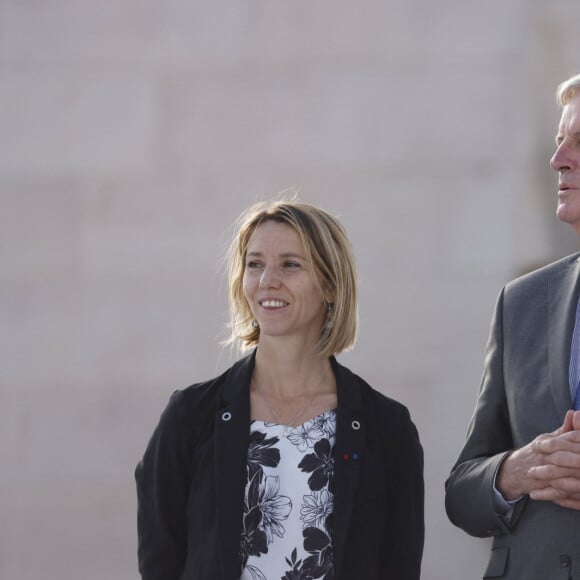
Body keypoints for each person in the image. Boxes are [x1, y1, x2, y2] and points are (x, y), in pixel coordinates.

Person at [135, 200, 424, 580]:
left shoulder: (385, 426)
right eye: (254, 264)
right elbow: (161, 559)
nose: (267, 280)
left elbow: (399, 565)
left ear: (331, 285)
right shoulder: (191, 415)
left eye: (290, 264)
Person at [445, 73, 580, 579]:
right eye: (559, 141)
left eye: (579, 142)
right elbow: (461, 491)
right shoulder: (522, 301)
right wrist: (515, 471)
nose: (558, 159)